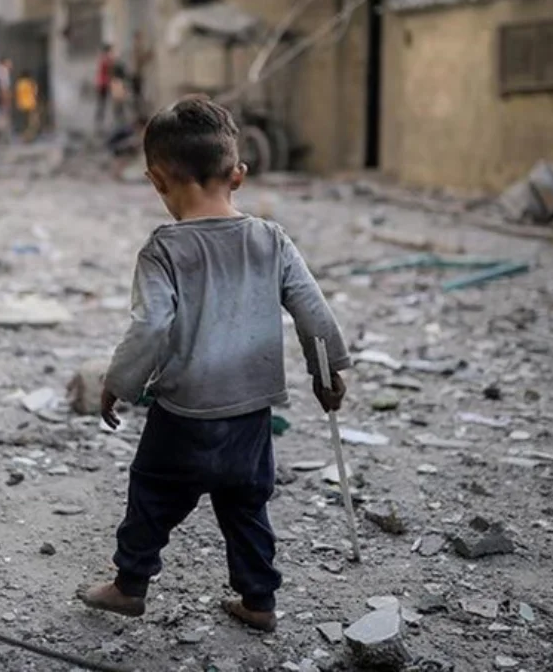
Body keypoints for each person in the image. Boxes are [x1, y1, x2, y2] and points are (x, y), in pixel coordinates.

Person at [77, 98, 350, 633]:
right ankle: (258, 601)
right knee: (246, 508)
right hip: (251, 414)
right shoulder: (271, 240)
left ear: (157, 180)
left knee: (151, 496)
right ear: (238, 175)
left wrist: (119, 383)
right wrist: (327, 372)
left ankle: (130, 585)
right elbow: (313, 313)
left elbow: (151, 327)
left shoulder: (162, 250)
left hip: (184, 413)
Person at [130, 31, 152, 118]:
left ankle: (139, 112)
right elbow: (140, 60)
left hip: (137, 74)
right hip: (136, 74)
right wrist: (148, 55)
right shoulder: (137, 48)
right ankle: (139, 113)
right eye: (139, 38)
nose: (141, 40)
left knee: (138, 93)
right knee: (138, 94)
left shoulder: (136, 48)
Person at [15, 70, 40, 142]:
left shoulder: (19, 84)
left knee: (24, 122)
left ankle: (24, 137)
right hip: (31, 104)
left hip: (21, 105)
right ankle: (29, 137)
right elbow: (35, 93)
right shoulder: (30, 83)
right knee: (32, 122)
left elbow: (17, 95)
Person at [94, 44, 115, 132]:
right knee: (102, 104)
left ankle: (101, 124)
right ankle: (100, 125)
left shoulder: (103, 59)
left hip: (102, 84)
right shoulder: (105, 59)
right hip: (104, 84)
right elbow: (108, 72)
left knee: (102, 104)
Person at [0, 57, 14, 145]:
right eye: (9, 62)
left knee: (3, 118)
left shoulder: (1, 71)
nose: (11, 65)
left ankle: (3, 138)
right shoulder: (3, 72)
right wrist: (6, 100)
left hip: (1, 100)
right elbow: (3, 88)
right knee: (3, 118)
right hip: (3, 100)